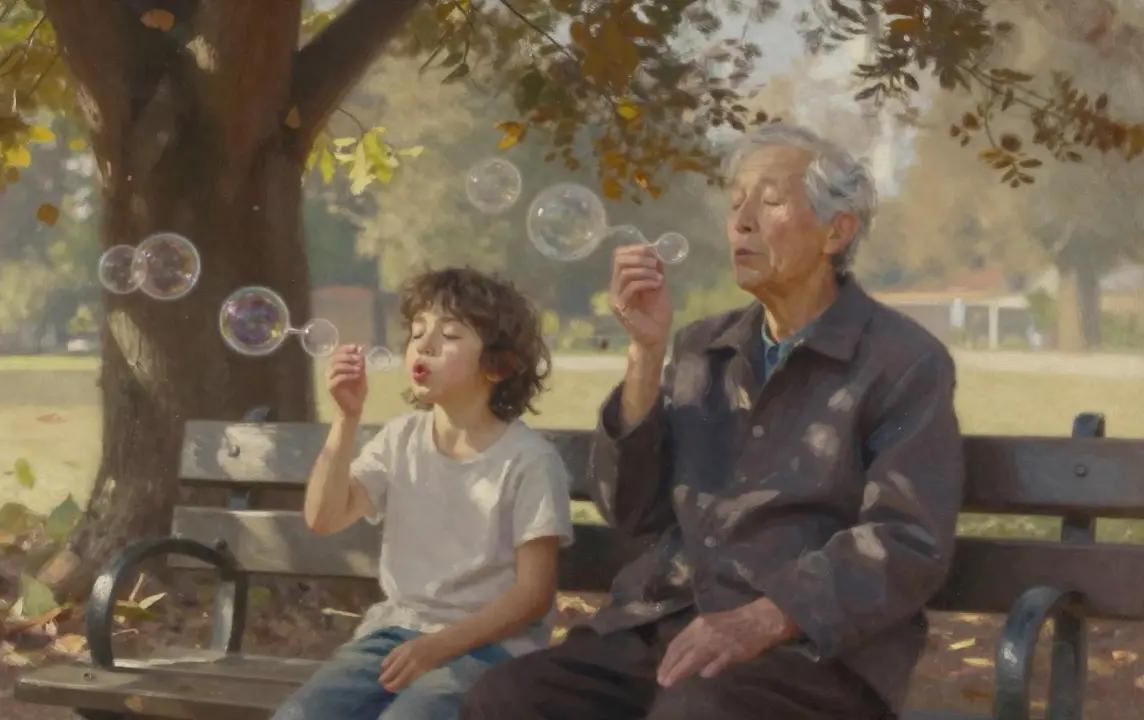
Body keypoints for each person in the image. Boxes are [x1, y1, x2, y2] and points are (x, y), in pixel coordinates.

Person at [460, 123, 966, 719]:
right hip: (662, 625)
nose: (742, 221)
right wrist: (645, 356)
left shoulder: (903, 362)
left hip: (809, 654)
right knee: (507, 701)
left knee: (695, 712)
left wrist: (765, 616)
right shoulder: (703, 348)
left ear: (838, 231)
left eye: (771, 201)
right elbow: (631, 510)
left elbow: (904, 539)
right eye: (735, 204)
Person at [272, 267, 575, 720]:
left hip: (489, 649)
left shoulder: (528, 460)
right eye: (417, 333)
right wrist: (346, 419)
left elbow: (533, 595)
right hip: (395, 636)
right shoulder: (400, 441)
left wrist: (437, 647)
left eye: (449, 335)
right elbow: (323, 517)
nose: (425, 345)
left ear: (499, 365)